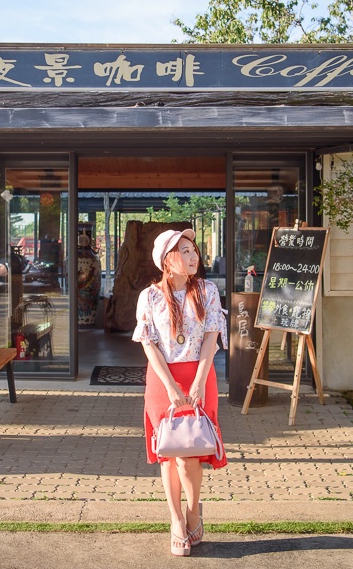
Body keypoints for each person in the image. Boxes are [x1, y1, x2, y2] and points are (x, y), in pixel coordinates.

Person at [133, 228, 227, 557]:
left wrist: (199, 382)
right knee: (169, 453)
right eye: (184, 251)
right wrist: (171, 386)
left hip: (199, 374)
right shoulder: (150, 296)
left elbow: (211, 338)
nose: (193, 256)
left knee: (190, 455)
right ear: (166, 260)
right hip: (163, 379)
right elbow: (149, 344)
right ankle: (175, 521)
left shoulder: (208, 290)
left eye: (193, 250)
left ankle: (193, 510)